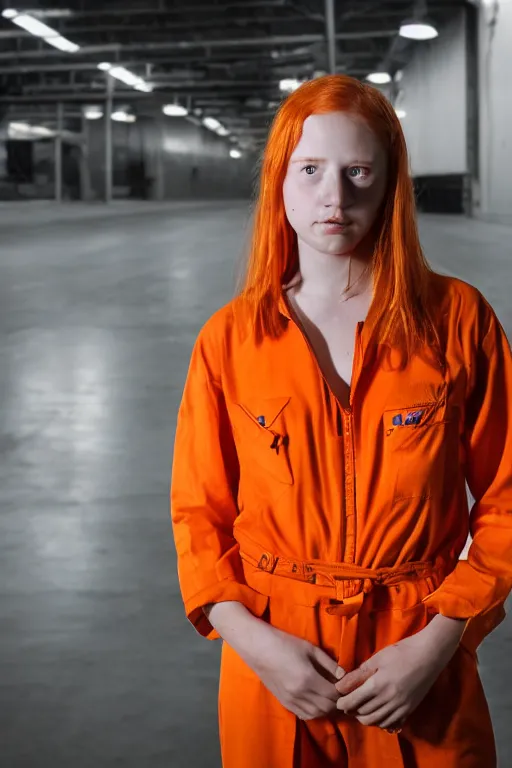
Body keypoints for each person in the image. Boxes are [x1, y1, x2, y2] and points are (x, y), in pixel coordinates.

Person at [170, 74, 512, 767]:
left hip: (415, 661)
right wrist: (254, 642)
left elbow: (507, 499)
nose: (335, 196)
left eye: (359, 171)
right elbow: (199, 517)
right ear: (280, 182)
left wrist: (440, 640)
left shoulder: (458, 321)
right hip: (280, 664)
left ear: (390, 181)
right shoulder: (229, 341)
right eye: (311, 170)